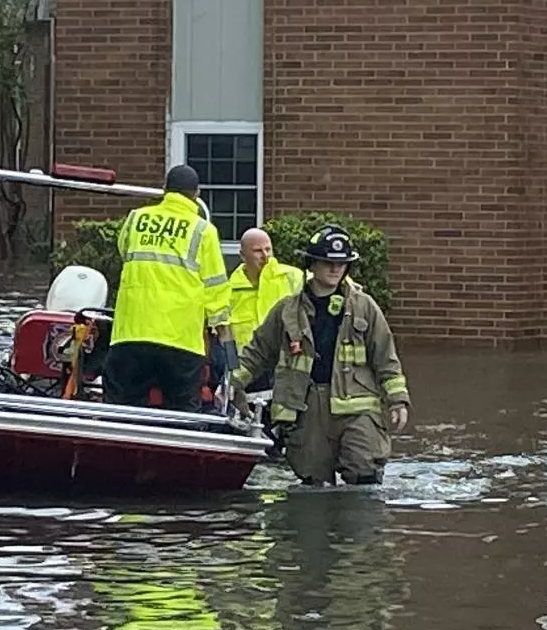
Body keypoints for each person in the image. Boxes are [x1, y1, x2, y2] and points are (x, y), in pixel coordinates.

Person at [226, 225, 411, 485]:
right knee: (314, 483)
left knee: (364, 474)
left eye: (341, 264)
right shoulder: (287, 311)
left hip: (357, 409)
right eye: (328, 263)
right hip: (307, 409)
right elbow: (256, 354)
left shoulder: (364, 307)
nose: (336, 270)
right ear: (312, 264)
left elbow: (385, 356)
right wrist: (233, 384)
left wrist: (398, 399)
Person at [104, 164, 231, 413]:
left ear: (165, 190)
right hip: (181, 341)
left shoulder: (136, 218)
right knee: (182, 418)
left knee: (120, 413)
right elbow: (215, 286)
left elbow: (124, 252)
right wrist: (223, 334)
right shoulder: (203, 230)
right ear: (196, 194)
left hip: (131, 334)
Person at [223, 227, 304, 390]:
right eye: (257, 251)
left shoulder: (291, 277)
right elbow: (225, 336)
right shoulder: (229, 291)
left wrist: (350, 286)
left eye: (268, 249)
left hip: (285, 367)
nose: (265, 256)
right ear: (242, 256)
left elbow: (322, 283)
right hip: (248, 371)